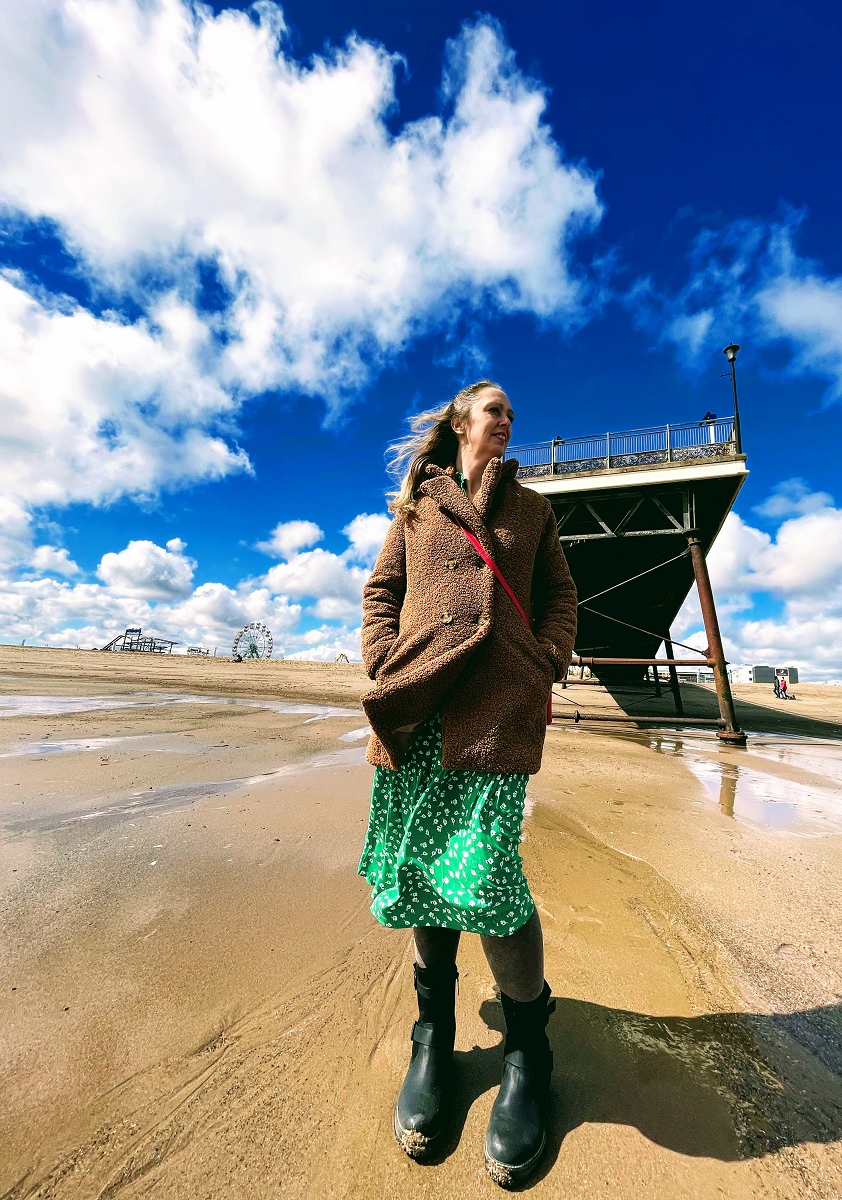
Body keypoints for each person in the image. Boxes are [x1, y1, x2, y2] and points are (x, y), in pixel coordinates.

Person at [358, 379, 577, 1186]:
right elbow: (381, 591)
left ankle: (528, 1049)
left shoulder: (533, 509)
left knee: (486, 880)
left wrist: (544, 658)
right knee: (421, 875)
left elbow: (562, 597)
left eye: (514, 412)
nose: (508, 421)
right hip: (417, 708)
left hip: (496, 712)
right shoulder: (417, 508)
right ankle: (432, 1038)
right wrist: (384, 658)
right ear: (459, 423)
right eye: (495, 410)